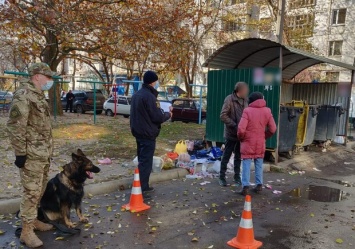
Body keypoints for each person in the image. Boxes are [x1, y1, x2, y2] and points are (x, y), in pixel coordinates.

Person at [7, 63, 56, 248]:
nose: (50, 81)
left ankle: (33, 220)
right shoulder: (24, 95)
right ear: (37, 76)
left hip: (42, 154)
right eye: (48, 77)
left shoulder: (38, 96)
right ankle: (26, 232)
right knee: (31, 192)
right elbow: (15, 126)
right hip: (31, 156)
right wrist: (20, 154)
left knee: (39, 190)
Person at [130, 71, 172, 199]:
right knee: (146, 161)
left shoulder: (137, 95)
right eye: (156, 81)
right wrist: (168, 115)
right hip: (147, 133)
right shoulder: (149, 97)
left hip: (138, 131)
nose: (157, 83)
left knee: (142, 160)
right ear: (153, 82)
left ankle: (140, 184)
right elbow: (156, 116)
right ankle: (143, 187)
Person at [237, 92, 277, 196]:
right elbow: (273, 129)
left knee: (246, 164)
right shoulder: (267, 111)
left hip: (248, 142)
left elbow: (241, 129)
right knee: (259, 163)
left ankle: (245, 187)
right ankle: (259, 186)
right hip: (260, 142)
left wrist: (242, 138)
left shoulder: (247, 111)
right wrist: (264, 136)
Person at [219, 82, 249, 187]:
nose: (246, 92)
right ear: (239, 91)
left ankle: (237, 177)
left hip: (241, 134)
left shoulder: (246, 100)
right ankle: (222, 177)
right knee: (226, 155)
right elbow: (223, 116)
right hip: (231, 133)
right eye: (245, 90)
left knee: (238, 156)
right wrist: (235, 125)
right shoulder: (229, 99)